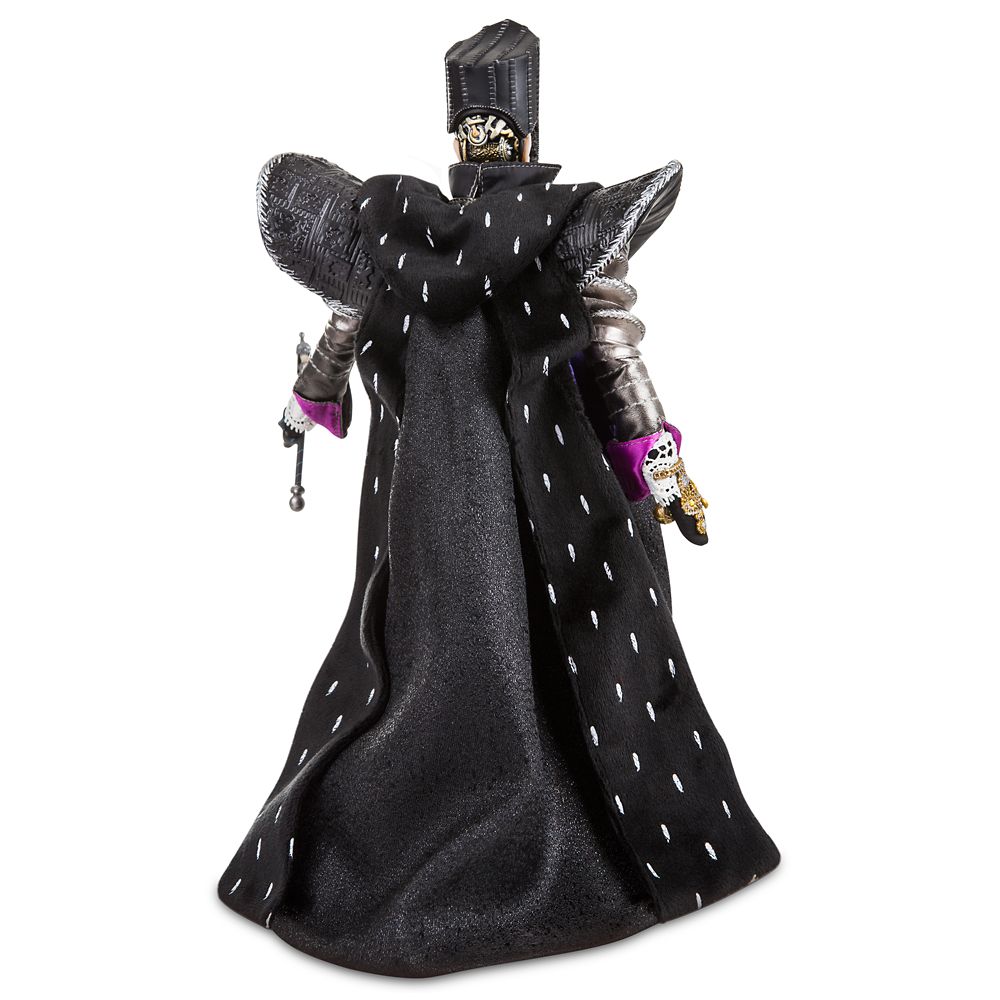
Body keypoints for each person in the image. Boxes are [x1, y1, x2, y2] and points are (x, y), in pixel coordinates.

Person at [220, 18, 779, 977]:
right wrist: (309, 398)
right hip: (443, 497)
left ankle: (560, 805)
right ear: (468, 135)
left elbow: (611, 350)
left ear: (514, 134)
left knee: (559, 645)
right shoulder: (407, 235)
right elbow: (350, 325)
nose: (484, 148)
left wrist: (659, 462)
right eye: (476, 135)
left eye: (493, 135)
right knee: (448, 645)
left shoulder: (534, 233)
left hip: (544, 493)